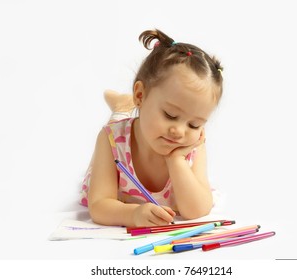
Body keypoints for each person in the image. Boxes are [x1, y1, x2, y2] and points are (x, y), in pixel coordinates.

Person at [80, 29, 224, 227]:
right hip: (123, 132)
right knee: (119, 119)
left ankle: (125, 105)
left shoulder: (193, 145)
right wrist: (132, 214)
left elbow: (197, 210)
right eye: (170, 115)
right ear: (139, 95)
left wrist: (175, 160)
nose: (180, 132)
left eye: (194, 124)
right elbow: (99, 205)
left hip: (145, 121)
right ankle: (123, 106)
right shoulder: (110, 138)